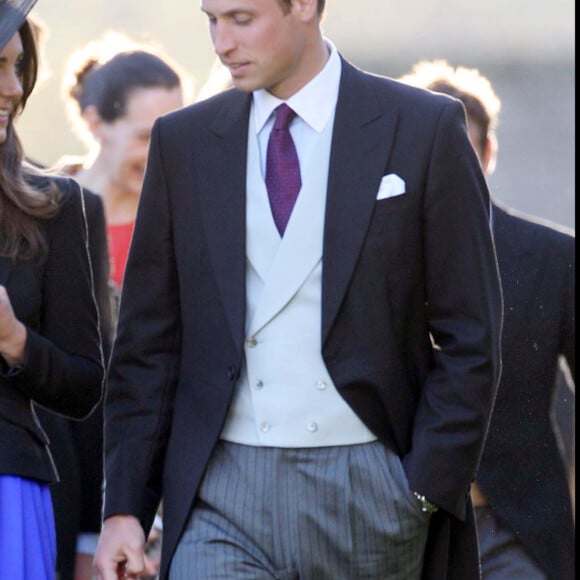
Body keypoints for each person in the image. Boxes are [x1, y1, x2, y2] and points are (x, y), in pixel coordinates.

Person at [94, 1, 503, 579]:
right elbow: (147, 346)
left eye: (241, 19)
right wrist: (125, 510)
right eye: (211, 19)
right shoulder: (183, 142)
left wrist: (422, 489)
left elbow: (471, 333)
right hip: (221, 491)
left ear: (306, 6)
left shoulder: (421, 127)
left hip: (371, 490)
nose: (221, 42)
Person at [398, 59, 575, 579]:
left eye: (462, 151)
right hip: (400, 530)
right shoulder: (368, 256)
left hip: (517, 526)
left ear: (488, 153)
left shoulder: (553, 257)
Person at [40, 31, 188, 580]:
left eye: (174, 134)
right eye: (147, 136)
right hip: (63, 473)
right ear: (97, 123)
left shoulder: (186, 224)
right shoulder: (44, 209)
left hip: (160, 487)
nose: (163, 153)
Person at [0, 1, 104, 578]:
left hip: (7, 485)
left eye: (18, 67)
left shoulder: (58, 209)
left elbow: (85, 384)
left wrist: (16, 342)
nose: (13, 88)